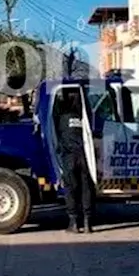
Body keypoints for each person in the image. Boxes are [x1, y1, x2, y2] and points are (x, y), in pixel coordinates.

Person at [53, 88, 94, 233]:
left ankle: (74, 223)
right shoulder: (83, 118)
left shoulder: (61, 118)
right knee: (86, 188)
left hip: (69, 157)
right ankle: (88, 223)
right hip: (83, 156)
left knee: (71, 189)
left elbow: (55, 136)